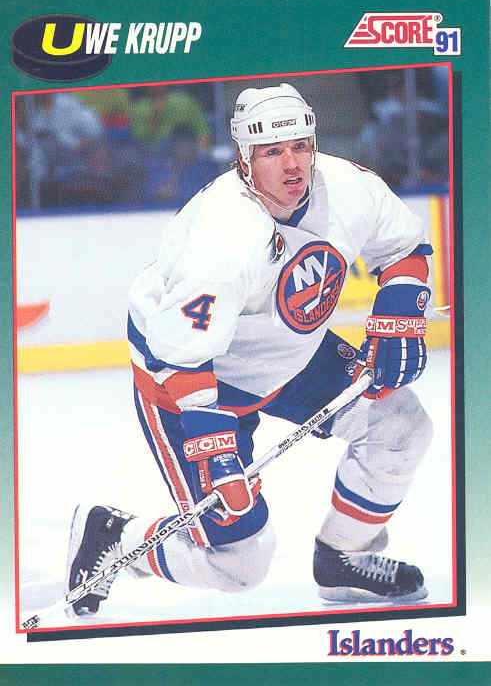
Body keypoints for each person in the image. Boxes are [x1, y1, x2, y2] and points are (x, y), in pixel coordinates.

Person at [66, 84, 434, 617]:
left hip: (292, 354)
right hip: (194, 381)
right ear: (244, 158)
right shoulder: (222, 236)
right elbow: (180, 357)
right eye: (272, 152)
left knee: (401, 427)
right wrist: (215, 450)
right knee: (238, 564)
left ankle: (344, 558)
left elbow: (403, 247)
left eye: (301, 146)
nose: (292, 164)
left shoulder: (348, 187)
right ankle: (116, 537)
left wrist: (402, 306)